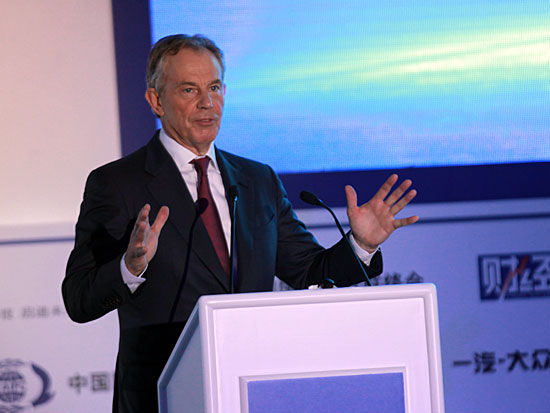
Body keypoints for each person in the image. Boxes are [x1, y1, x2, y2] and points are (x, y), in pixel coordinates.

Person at [62, 34, 418, 413]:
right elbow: (79, 299)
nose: (207, 103)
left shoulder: (257, 180)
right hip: (162, 396)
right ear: (156, 101)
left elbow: (310, 273)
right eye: (189, 90)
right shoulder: (117, 184)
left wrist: (361, 245)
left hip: (252, 390)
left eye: (215, 88)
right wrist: (129, 268)